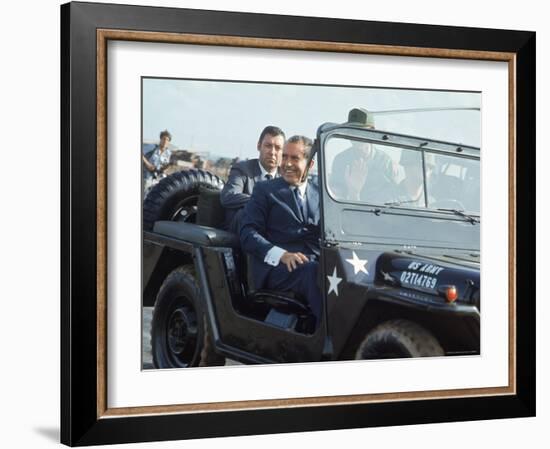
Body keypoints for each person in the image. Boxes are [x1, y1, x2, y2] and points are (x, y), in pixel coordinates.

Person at [240, 135, 322, 325]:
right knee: (312, 271)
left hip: (314, 261)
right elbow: (248, 234)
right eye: (284, 157)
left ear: (310, 164)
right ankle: (329, 342)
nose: (287, 164)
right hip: (276, 268)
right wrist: (282, 255)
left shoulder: (321, 193)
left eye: (295, 158)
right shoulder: (265, 190)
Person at [220, 126, 285, 233]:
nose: (272, 152)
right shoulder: (242, 169)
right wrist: (261, 201)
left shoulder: (284, 177)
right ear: (259, 146)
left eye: (278, 148)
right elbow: (228, 196)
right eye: (268, 146)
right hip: (239, 232)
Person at [330, 108, 399, 202]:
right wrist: (353, 190)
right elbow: (334, 195)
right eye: (352, 131)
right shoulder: (340, 160)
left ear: (371, 133)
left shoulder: (385, 162)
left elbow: (393, 198)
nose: (355, 136)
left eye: (360, 131)